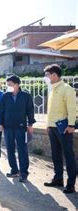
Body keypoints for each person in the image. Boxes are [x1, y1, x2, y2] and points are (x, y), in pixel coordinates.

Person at [42, 64, 76, 194]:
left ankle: (71, 184)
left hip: (64, 127)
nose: (46, 77)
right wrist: (48, 125)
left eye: (48, 75)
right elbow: (51, 110)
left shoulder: (67, 89)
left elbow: (72, 108)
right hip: (52, 127)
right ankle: (58, 179)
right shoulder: (52, 89)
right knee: (56, 154)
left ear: (55, 75)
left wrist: (71, 125)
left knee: (68, 155)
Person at [0, 75, 35, 182]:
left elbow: (30, 110)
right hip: (8, 127)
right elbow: (0, 111)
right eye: (7, 85)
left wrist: (30, 124)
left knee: (22, 149)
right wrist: (0, 123)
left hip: (21, 127)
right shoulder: (5, 96)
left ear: (17, 84)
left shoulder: (26, 96)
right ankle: (14, 170)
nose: (8, 86)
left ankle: (24, 172)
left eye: (10, 84)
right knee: (10, 149)